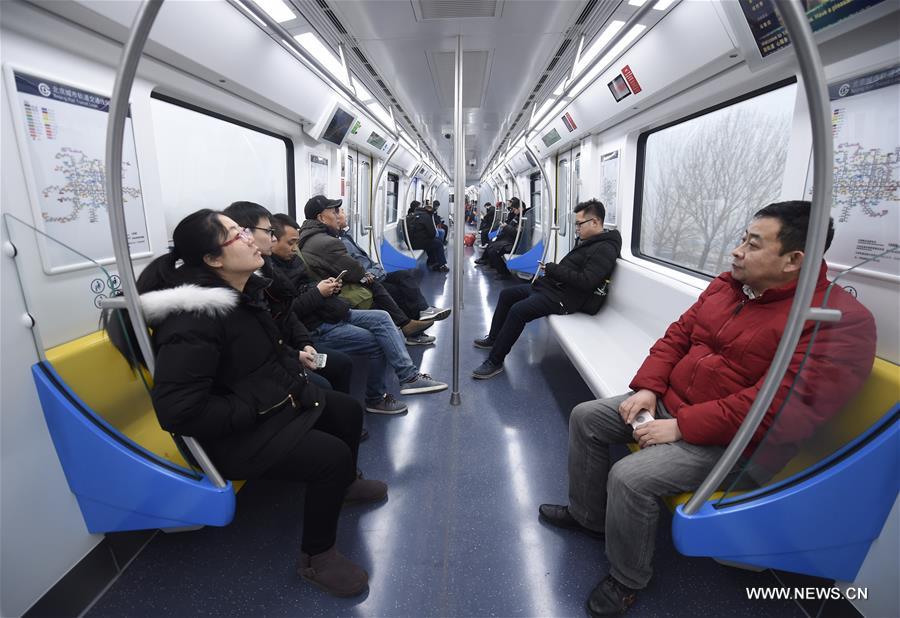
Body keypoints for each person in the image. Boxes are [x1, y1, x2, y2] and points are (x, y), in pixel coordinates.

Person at [538, 201, 876, 616]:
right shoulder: (727, 287)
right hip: (674, 405)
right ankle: (589, 517)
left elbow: (780, 408)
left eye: (752, 244)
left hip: (740, 443)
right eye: (741, 239)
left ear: (793, 260)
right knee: (587, 417)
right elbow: (677, 337)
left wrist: (682, 426)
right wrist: (647, 388)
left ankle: (627, 578)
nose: (736, 251)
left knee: (630, 476)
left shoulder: (837, 322)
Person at [106, 209, 388, 597]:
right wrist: (261, 407)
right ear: (213, 260)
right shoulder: (195, 319)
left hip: (265, 409)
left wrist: (294, 374)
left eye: (243, 231)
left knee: (346, 410)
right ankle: (316, 557)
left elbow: (266, 356)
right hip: (230, 436)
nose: (253, 240)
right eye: (236, 235)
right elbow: (179, 411)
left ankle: (343, 488)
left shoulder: (245, 296)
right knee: (331, 457)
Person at [268, 213, 449, 414]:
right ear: (272, 240)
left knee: (382, 316)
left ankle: (409, 377)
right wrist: (318, 292)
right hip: (317, 324)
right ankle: (376, 398)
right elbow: (290, 312)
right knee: (376, 340)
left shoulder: (293, 260)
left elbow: (305, 288)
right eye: (290, 243)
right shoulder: (272, 274)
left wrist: (325, 288)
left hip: (328, 310)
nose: (294, 248)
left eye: (296, 243)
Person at [472, 199, 621, 379]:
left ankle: (495, 361)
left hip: (565, 299)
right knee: (507, 295)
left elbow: (587, 281)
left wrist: (552, 268)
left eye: (579, 224)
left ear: (595, 222)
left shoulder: (605, 249)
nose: (576, 228)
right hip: (552, 289)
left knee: (518, 311)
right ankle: (494, 338)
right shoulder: (590, 242)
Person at [223, 201, 355, 396]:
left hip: (290, 344)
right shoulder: (239, 292)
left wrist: (304, 343)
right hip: (279, 358)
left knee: (343, 365)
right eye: (269, 232)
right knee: (327, 390)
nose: (273, 239)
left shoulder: (267, 271)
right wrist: (295, 355)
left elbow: (285, 314)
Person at [296, 195, 434, 340]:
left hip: (336, 286)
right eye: (334, 212)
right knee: (393, 290)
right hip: (340, 293)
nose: (338, 216)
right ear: (321, 218)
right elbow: (356, 270)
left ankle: (411, 325)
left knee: (399, 280)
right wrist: (367, 274)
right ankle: (408, 327)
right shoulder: (326, 242)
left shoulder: (311, 237)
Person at [328, 209, 451, 329]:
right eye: (342, 212)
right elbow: (357, 268)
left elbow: (365, 262)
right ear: (336, 219)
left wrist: (376, 269)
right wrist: (376, 271)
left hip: (373, 274)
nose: (346, 214)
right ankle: (412, 329)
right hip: (367, 279)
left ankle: (423, 311)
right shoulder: (339, 243)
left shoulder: (345, 236)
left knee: (403, 275)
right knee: (398, 291)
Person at [474, 197, 522, 280]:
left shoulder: (522, 218)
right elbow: (511, 226)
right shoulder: (516, 216)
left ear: (519, 208)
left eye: (514, 209)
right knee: (491, 243)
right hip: (508, 237)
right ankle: (489, 262)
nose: (513, 211)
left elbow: (516, 232)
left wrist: (506, 226)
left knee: (493, 249)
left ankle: (504, 273)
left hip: (512, 241)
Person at [406, 200, 449, 272]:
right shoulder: (426, 217)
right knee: (438, 243)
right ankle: (442, 265)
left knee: (432, 242)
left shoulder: (411, 215)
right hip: (418, 244)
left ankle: (432, 261)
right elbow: (432, 234)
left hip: (410, 243)